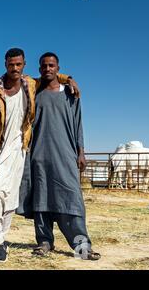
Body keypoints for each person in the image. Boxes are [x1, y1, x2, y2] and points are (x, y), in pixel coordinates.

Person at [0, 48, 80, 262]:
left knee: (11, 198)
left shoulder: (29, 85)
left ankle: (0, 243)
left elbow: (50, 75)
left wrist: (69, 79)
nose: (14, 68)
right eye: (10, 64)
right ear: (5, 64)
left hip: (21, 150)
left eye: (18, 64)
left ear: (24, 65)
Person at [19, 52, 100, 260]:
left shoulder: (71, 93)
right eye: (44, 66)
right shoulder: (34, 93)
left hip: (65, 155)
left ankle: (82, 246)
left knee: (72, 200)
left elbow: (78, 124)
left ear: (58, 68)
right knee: (41, 201)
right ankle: (44, 242)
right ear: (39, 69)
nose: (48, 69)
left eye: (51, 65)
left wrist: (80, 152)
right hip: (39, 155)